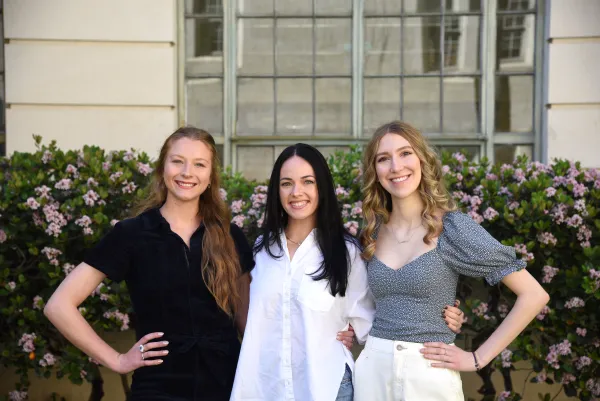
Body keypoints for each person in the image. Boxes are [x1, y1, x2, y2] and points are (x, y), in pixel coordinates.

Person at [230, 144, 463, 401]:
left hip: (326, 389)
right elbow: (251, 317)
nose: (297, 192)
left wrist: (440, 314)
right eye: (286, 183)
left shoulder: (347, 252)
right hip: (266, 388)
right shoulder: (262, 250)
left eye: (308, 181)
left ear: (322, 189)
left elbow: (377, 319)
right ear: (277, 190)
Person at [44, 127, 255, 401]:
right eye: (177, 161)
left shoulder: (230, 235)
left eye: (199, 164)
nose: (187, 172)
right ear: (162, 167)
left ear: (210, 175)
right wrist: (117, 360)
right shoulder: (132, 234)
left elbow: (248, 322)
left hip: (227, 385)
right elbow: (58, 306)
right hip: (158, 388)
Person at [353, 121, 550, 401]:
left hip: (429, 375)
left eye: (405, 153)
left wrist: (477, 358)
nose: (396, 166)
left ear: (422, 159)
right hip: (372, 373)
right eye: (384, 159)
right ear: (376, 172)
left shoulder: (452, 228)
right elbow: (360, 302)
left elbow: (533, 295)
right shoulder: (372, 233)